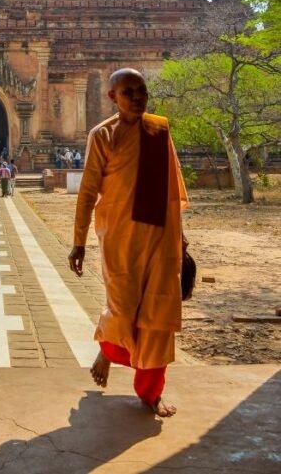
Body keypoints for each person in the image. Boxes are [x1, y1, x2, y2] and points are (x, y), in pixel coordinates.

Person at [68, 68, 188, 418]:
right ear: (112, 98)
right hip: (120, 236)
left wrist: (180, 235)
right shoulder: (103, 135)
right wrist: (79, 241)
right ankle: (109, 349)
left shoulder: (159, 129)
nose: (137, 97)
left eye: (141, 90)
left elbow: (171, 185)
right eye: (128, 92)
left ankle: (151, 393)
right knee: (122, 312)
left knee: (159, 315)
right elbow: (88, 190)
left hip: (160, 236)